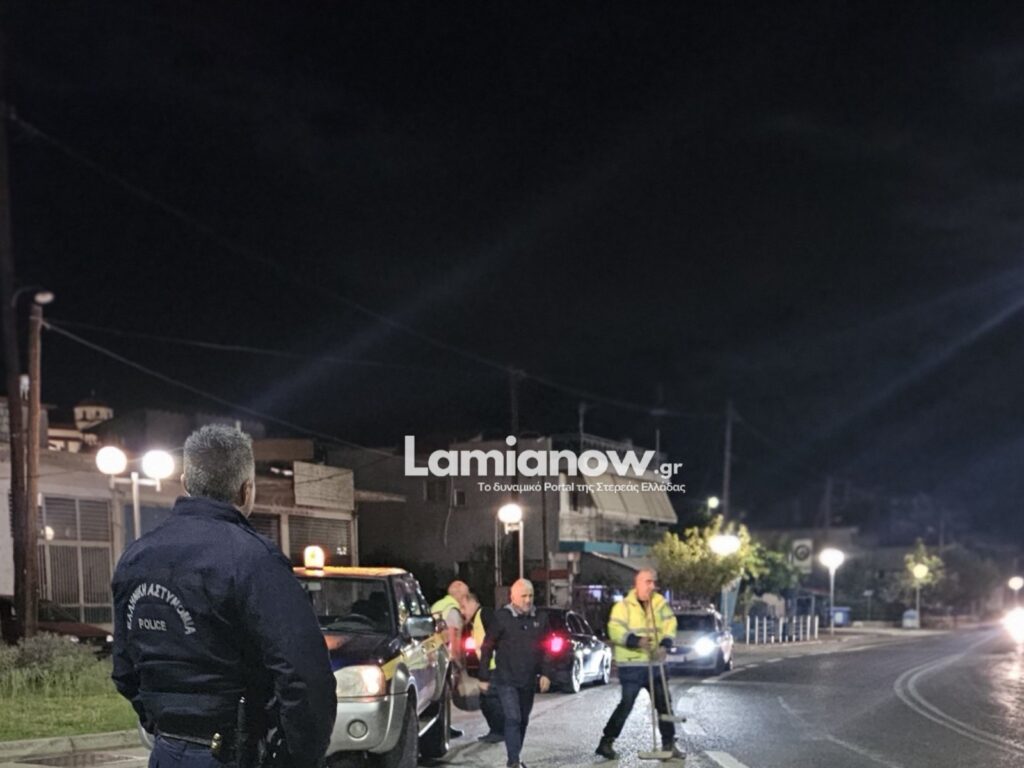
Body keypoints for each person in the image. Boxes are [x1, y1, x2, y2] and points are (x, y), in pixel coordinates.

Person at [111, 424, 337, 768]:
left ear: (185, 482)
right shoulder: (254, 559)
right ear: (247, 490)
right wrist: (296, 757)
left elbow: (124, 669)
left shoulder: (136, 557)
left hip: (166, 752)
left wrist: (164, 722)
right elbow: (305, 675)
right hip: (235, 751)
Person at [596, 568, 682, 760]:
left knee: (664, 705)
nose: (652, 586)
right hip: (632, 666)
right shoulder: (624, 607)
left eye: (653, 582)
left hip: (655, 665)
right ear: (638, 584)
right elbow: (614, 630)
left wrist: (665, 644)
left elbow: (670, 624)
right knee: (626, 704)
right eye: (647, 582)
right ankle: (606, 742)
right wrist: (636, 641)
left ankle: (669, 744)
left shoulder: (659, 604)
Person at [478, 579, 552, 768]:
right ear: (513, 597)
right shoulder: (502, 617)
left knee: (523, 720)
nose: (528, 600)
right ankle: (513, 762)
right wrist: (484, 676)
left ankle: (516, 755)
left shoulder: (540, 618)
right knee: (513, 718)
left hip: (528, 680)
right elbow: (487, 647)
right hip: (506, 679)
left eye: (531, 596)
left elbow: (546, 648)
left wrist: (546, 673)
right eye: (523, 596)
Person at [462, 593, 504, 743]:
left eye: (463, 607)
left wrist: (485, 673)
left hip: (495, 667)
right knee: (487, 701)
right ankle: (497, 730)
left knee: (490, 701)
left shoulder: (484, 614)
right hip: (491, 666)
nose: (462, 612)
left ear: (472, 602)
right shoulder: (476, 620)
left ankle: (499, 732)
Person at [431, 579, 469, 739]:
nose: (466, 600)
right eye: (465, 596)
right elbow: (454, 637)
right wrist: (458, 662)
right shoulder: (453, 610)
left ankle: (439, 728)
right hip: (445, 657)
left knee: (436, 696)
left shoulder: (437, 605)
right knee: (445, 695)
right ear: (460, 596)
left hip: (431, 655)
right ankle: (444, 729)